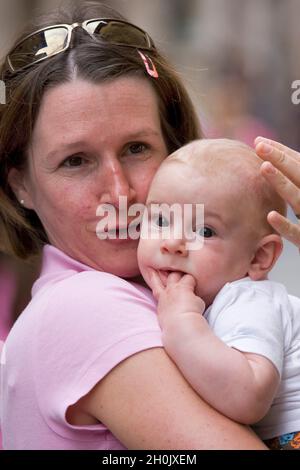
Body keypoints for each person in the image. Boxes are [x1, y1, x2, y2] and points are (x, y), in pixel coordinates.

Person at [0, 1, 298, 450]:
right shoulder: (86, 307)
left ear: (174, 148)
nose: (120, 195)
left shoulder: (186, 291)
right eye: (75, 161)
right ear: (21, 184)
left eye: (137, 149)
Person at [137, 138, 300, 450]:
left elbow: (248, 397)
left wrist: (181, 322)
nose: (172, 242)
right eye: (160, 219)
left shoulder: (248, 300)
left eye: (205, 231)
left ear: (258, 258)